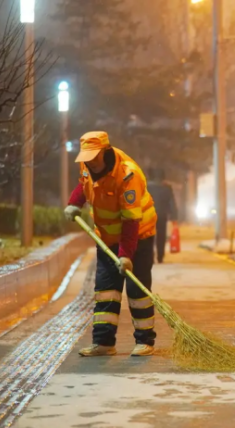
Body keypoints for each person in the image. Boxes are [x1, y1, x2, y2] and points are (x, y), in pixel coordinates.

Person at [64, 131, 158, 357]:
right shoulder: (87, 165)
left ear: (105, 153)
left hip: (138, 236)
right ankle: (104, 343)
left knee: (138, 290)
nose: (90, 162)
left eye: (94, 157)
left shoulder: (128, 175)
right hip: (106, 238)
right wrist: (74, 203)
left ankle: (145, 341)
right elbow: (84, 184)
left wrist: (126, 255)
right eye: (86, 158)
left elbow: (131, 220)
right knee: (106, 290)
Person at [146, 168, 178, 263]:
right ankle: (160, 256)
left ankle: (150, 256)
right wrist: (174, 216)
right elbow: (172, 203)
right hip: (162, 215)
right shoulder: (167, 187)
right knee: (161, 236)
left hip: (149, 215)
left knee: (149, 236)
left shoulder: (147, 186)